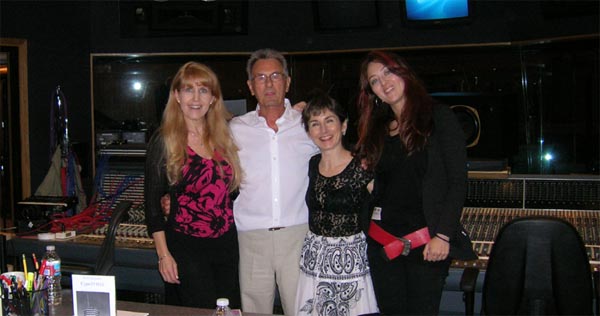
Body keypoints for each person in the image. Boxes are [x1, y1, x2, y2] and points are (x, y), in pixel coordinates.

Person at [355, 50, 476, 315]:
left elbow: (457, 181)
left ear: (402, 71)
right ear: (372, 91)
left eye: (387, 72)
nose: (383, 82)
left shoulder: (439, 117)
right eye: (374, 80)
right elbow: (381, 183)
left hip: (426, 244)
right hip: (382, 244)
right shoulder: (377, 128)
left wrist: (442, 235)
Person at [144, 61, 243, 308]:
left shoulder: (225, 136)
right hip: (186, 246)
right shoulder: (164, 141)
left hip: (226, 244)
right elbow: (152, 207)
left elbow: (230, 192)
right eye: (188, 89)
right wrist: (163, 256)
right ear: (176, 96)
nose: (196, 98)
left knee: (229, 310)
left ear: (213, 98)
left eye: (204, 90)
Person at [229, 48, 319, 315]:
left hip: (298, 235)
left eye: (276, 76)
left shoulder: (309, 125)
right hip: (251, 238)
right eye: (261, 77)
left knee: (302, 310)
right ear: (250, 86)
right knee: (254, 311)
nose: (269, 83)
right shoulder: (235, 129)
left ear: (287, 82)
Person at [295, 91, 379, 316]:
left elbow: (391, 205)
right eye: (315, 123)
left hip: (351, 263)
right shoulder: (312, 164)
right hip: (314, 259)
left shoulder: (362, 166)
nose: (323, 130)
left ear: (343, 126)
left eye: (329, 121)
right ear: (308, 132)